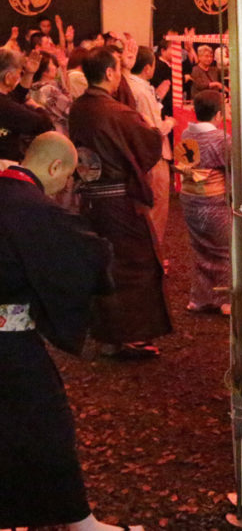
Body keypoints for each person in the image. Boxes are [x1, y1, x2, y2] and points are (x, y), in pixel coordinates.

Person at [0, 132, 143, 531]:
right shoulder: (31, 208)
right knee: (46, 423)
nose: (64, 188)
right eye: (65, 179)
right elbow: (89, 254)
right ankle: (80, 522)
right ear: (54, 167)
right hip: (8, 342)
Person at [68, 47, 171, 359]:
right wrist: (160, 131)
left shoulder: (80, 109)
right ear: (110, 73)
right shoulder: (116, 112)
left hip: (90, 198)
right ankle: (131, 337)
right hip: (117, 201)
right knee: (133, 265)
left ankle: (107, 332)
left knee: (102, 262)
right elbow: (148, 142)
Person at [174, 89, 231, 315]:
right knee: (224, 250)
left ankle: (201, 297)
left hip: (189, 198)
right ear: (218, 115)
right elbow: (234, 168)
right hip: (212, 199)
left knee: (199, 247)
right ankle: (225, 300)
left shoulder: (186, 134)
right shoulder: (220, 139)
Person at [127, 46, 175, 257]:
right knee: (156, 208)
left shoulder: (132, 86)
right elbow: (154, 130)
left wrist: (158, 97)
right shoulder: (141, 91)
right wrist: (170, 123)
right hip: (154, 156)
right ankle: (153, 256)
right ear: (148, 68)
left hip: (138, 155)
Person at [0, 47, 53, 162]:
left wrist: (29, 74)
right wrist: (37, 107)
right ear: (8, 77)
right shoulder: (5, 106)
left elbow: (16, 97)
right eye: (20, 73)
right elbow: (44, 124)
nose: (20, 77)